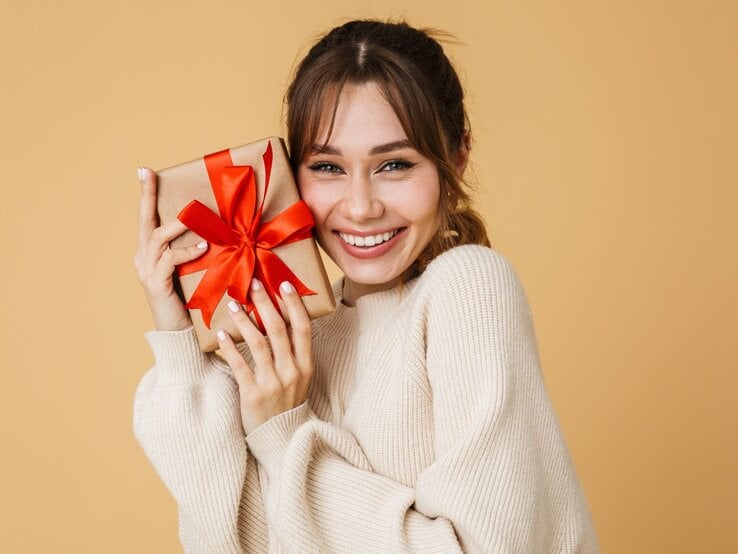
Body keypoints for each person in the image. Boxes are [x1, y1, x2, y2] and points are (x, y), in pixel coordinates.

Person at [133, 19, 598, 553]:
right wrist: (177, 334)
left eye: (395, 164)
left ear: (456, 157)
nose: (360, 207)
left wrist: (285, 435)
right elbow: (226, 538)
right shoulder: (297, 334)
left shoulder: (468, 287)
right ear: (291, 174)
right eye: (328, 167)